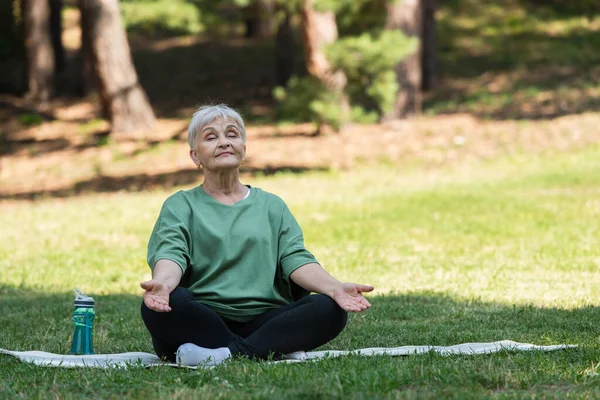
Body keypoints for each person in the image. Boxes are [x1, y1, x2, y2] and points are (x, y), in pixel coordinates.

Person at [140, 104, 374, 366]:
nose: (224, 142)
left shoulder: (272, 205)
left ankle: (224, 354)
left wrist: (335, 288)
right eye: (211, 136)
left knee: (330, 309)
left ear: (243, 151)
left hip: (267, 317)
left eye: (232, 134)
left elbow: (296, 259)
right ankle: (269, 346)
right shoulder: (180, 205)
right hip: (204, 319)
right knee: (167, 306)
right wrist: (163, 284)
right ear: (195, 156)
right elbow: (171, 253)